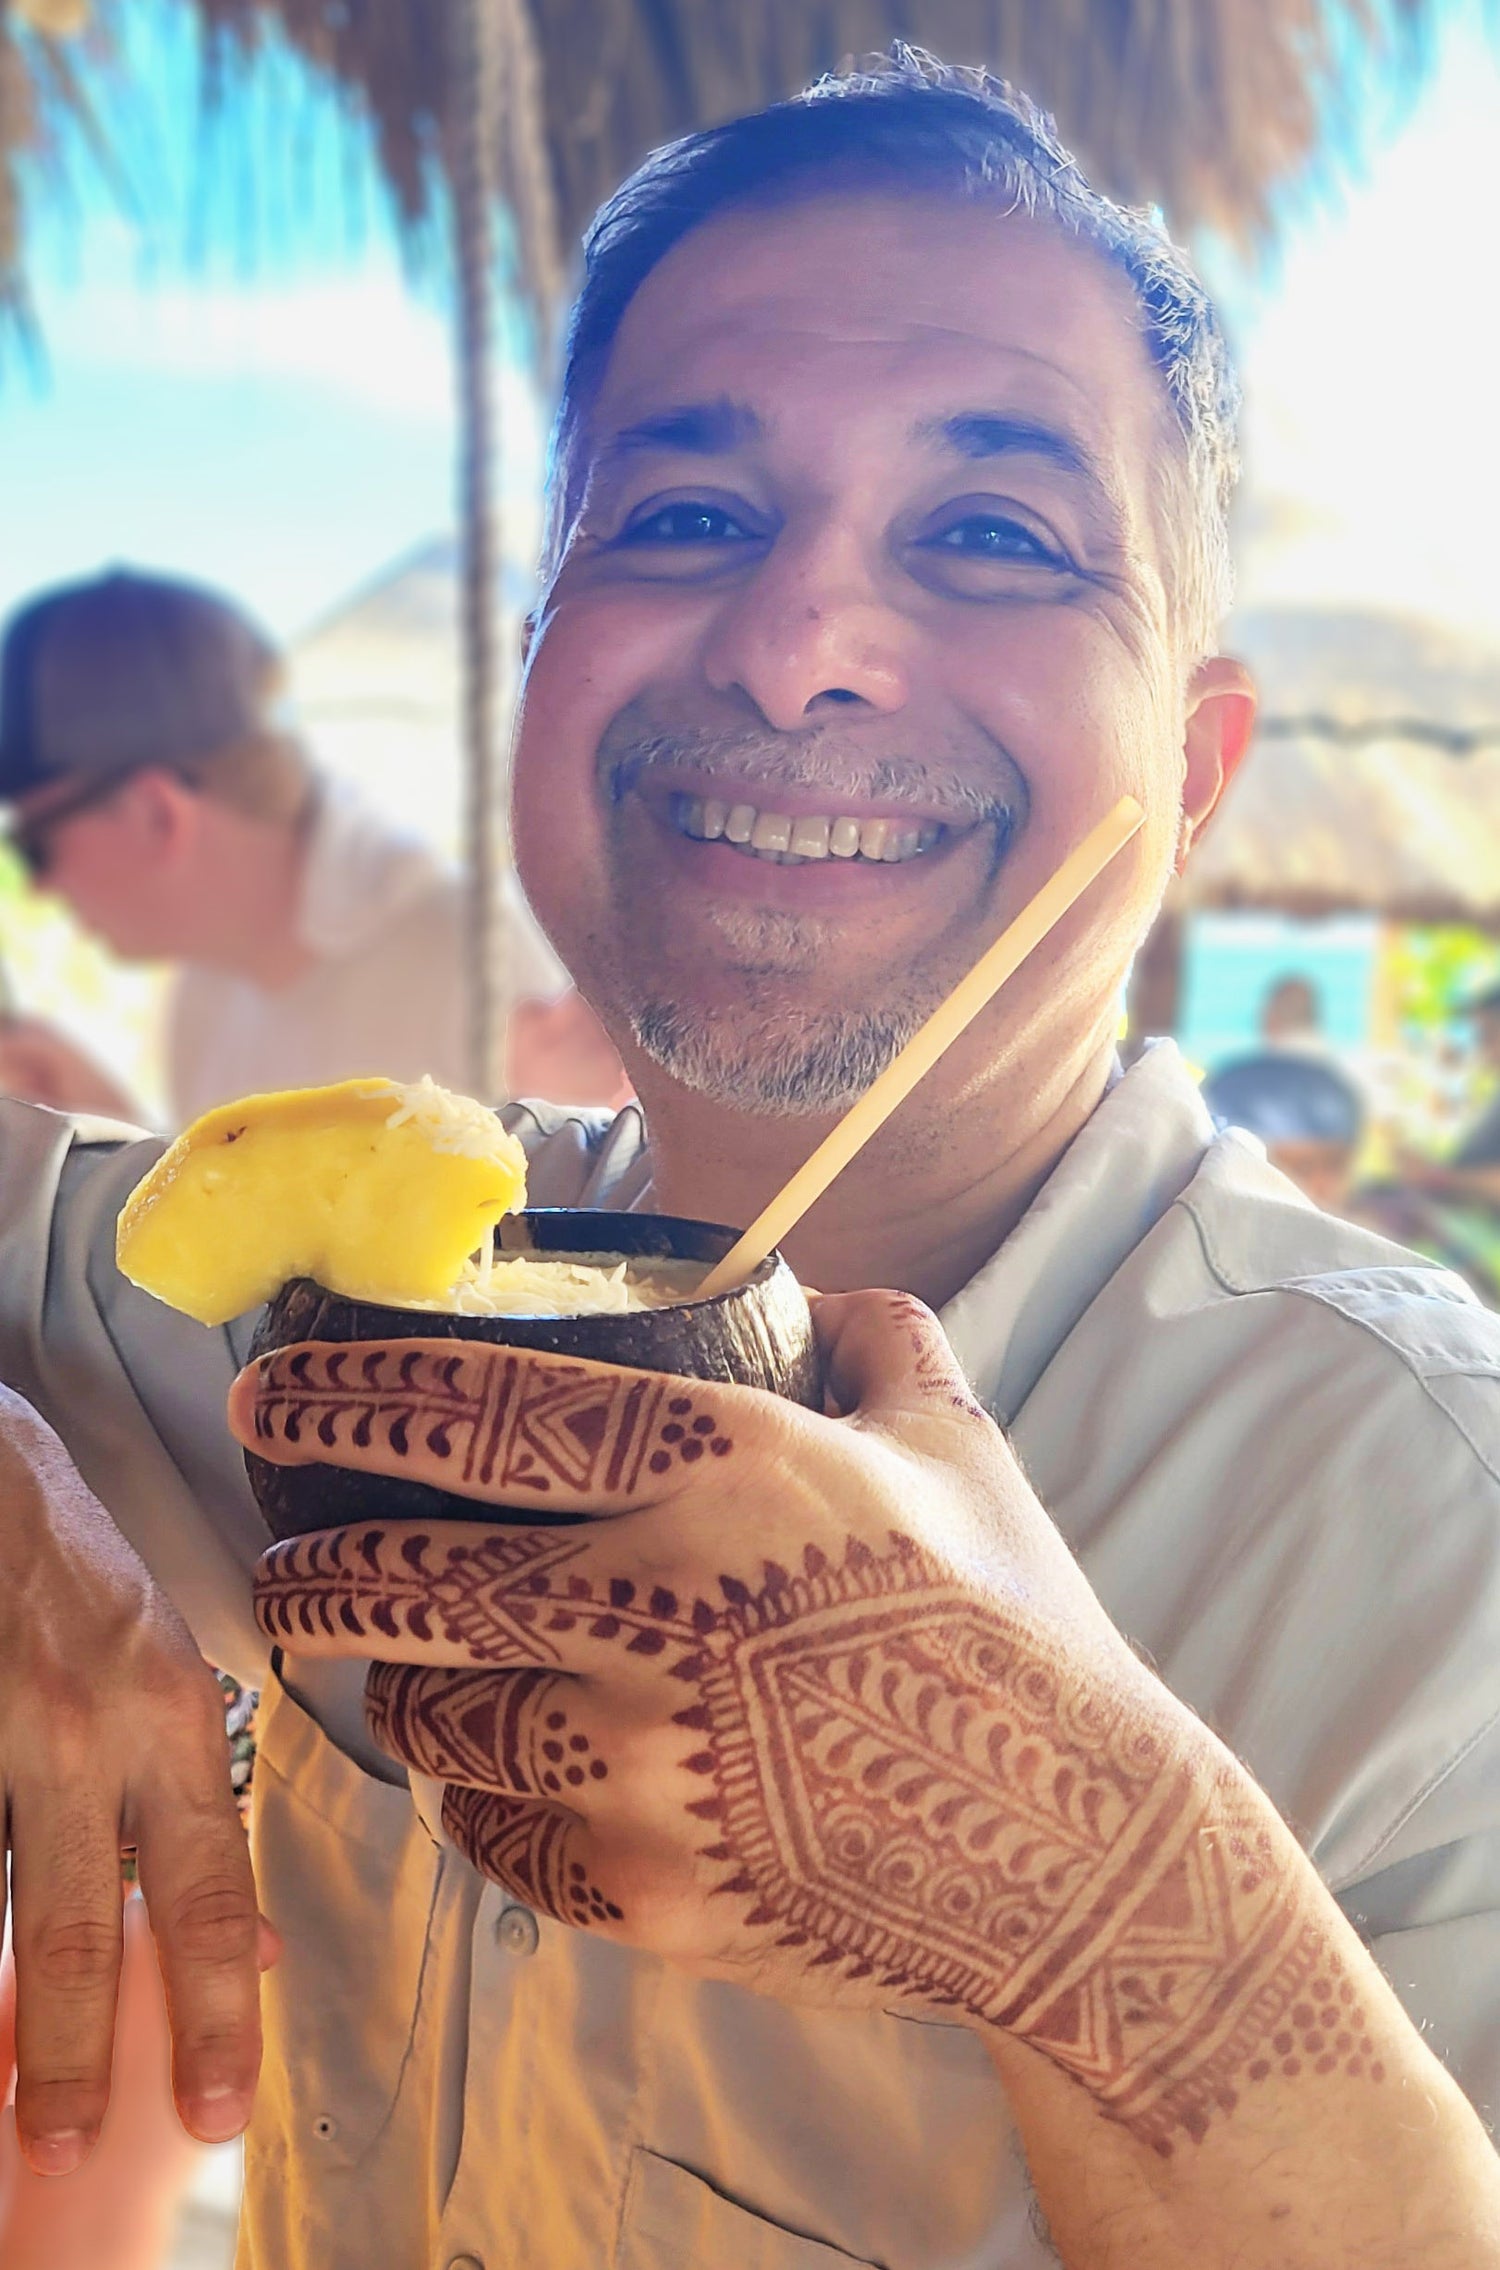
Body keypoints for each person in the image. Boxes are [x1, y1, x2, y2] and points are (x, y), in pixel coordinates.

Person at [0, 53, 1498, 2270]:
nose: (802, 645)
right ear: (540, 662)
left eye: (994, 533)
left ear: (1190, 776)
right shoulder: (320, 1272)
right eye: (687, 515)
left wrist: (1101, 1902)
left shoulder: (1420, 1517)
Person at [0, 568, 628, 1124]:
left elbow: (554, 1243)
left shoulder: (474, 956)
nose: (36, 886)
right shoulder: (206, 987)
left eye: (35, 846)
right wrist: (105, 1126)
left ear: (155, 813)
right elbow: (243, 1239)